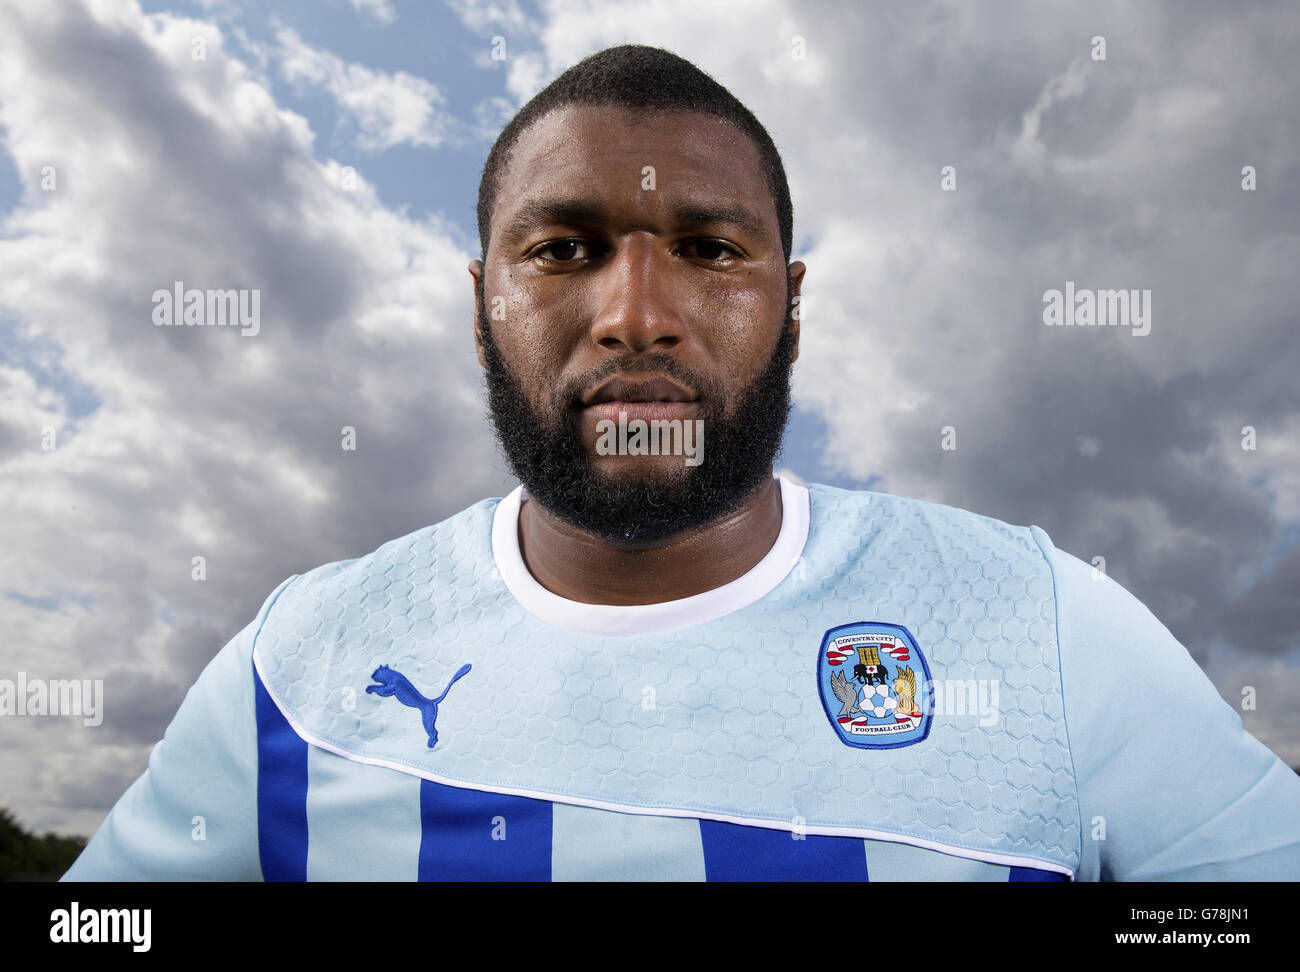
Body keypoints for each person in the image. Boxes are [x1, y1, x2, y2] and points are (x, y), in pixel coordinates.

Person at [63, 44, 1300, 882]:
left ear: (792, 307)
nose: (637, 313)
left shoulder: (1040, 630)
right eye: (563, 248)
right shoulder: (295, 666)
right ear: (481, 300)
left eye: (710, 251)